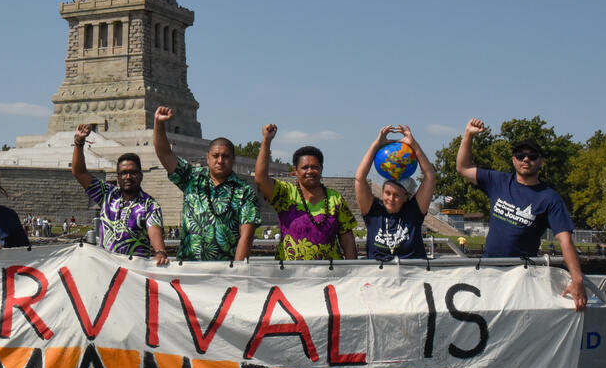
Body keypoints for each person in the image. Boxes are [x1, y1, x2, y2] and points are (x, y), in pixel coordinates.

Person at [456, 118, 586, 310]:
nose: (526, 159)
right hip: (488, 271)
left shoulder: (550, 198)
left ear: (540, 161)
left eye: (532, 156)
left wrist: (577, 279)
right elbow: (463, 167)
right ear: (513, 159)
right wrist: (468, 135)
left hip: (521, 276)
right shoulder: (498, 181)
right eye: (520, 155)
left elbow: (565, 241)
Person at [153, 107, 259, 261]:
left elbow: (247, 235)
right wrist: (158, 124)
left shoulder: (244, 191)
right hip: (189, 268)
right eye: (216, 156)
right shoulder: (191, 178)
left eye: (225, 156)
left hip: (224, 270)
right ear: (207, 158)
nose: (220, 161)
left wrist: (236, 272)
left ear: (233, 159)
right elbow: (165, 154)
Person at [256, 125, 357, 260]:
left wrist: (352, 271)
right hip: (291, 274)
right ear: (296, 171)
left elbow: (347, 238)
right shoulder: (285, 194)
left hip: (330, 274)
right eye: (305, 167)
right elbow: (261, 179)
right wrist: (266, 141)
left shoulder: (335, 198)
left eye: (315, 167)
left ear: (321, 169)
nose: (310, 171)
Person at [72, 123, 168, 265]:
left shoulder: (149, 205)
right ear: (117, 177)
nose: (128, 177)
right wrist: (79, 142)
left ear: (141, 175)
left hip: (135, 274)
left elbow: (153, 229)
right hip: (107, 270)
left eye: (133, 172)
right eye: (123, 173)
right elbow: (79, 172)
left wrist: (160, 252)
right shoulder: (106, 195)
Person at [353, 125, 437, 262]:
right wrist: (376, 145)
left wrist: (413, 145)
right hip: (379, 277)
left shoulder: (414, 211)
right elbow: (360, 178)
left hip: (412, 276)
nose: (391, 198)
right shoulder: (374, 212)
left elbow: (430, 177)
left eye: (397, 195)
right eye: (387, 193)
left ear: (406, 197)